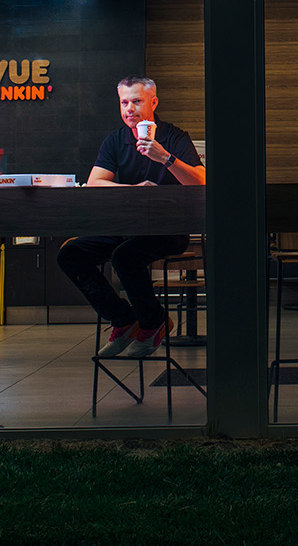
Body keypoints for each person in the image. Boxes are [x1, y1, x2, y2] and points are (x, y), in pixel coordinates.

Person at [57, 78, 205, 359]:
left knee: (124, 257)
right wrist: (135, 189)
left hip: (169, 228)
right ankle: (124, 320)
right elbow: (95, 183)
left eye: (136, 101)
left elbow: (202, 182)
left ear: (153, 102)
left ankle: (153, 323)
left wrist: (165, 158)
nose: (129, 109)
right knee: (71, 254)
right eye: (124, 102)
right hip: (125, 226)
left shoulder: (174, 137)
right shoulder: (115, 140)